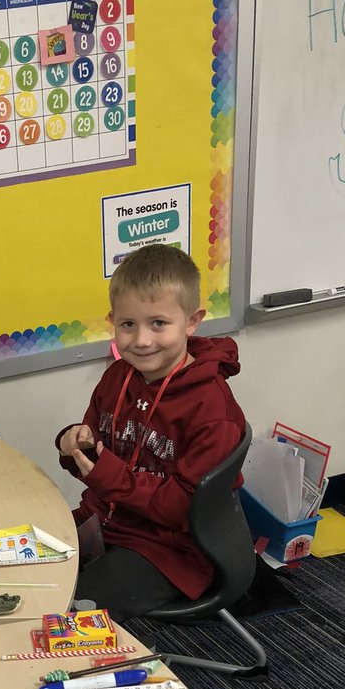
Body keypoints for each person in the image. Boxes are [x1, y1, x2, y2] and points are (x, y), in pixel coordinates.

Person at [56, 244, 246, 619]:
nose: (141, 340)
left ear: (192, 321)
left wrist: (108, 475)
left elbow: (183, 509)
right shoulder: (116, 378)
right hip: (106, 522)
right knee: (33, 560)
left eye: (158, 323)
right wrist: (72, 444)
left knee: (69, 605)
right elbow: (94, 459)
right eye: (128, 324)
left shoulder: (211, 408)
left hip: (170, 549)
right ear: (113, 321)